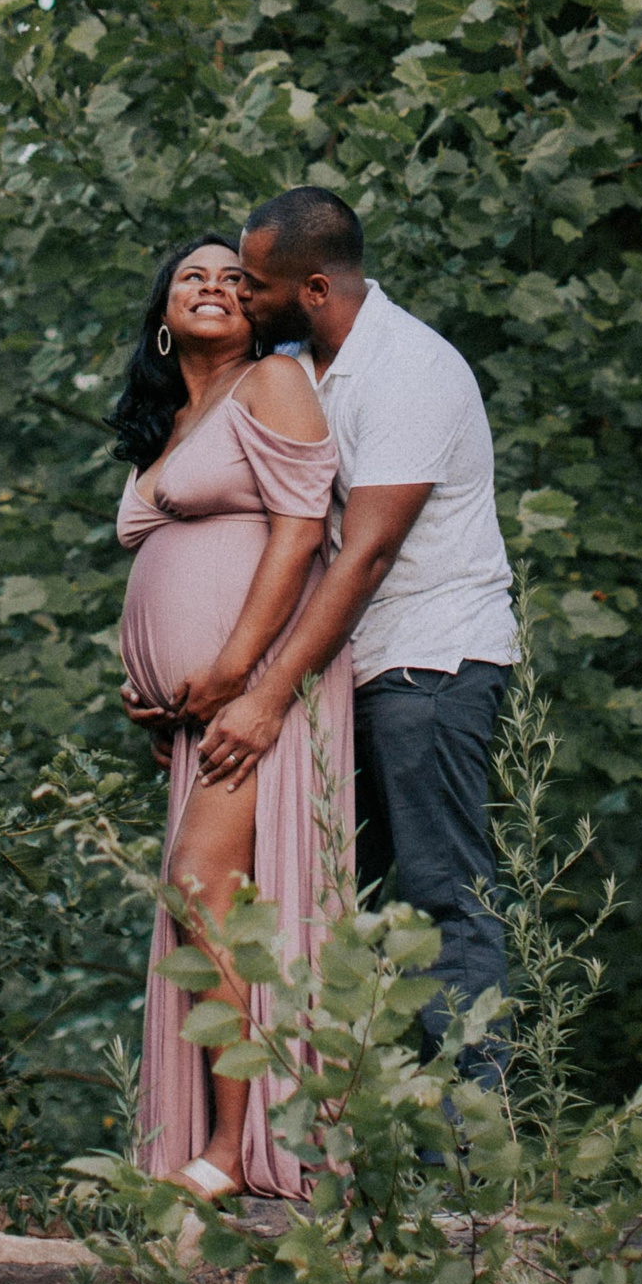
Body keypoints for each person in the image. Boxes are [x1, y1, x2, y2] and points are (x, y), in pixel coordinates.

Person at [200, 189, 517, 1059]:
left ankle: (473, 1154)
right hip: (356, 671)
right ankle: (387, 1150)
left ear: (311, 287)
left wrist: (264, 696)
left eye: (254, 285)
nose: (241, 297)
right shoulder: (306, 365)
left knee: (441, 895)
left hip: (429, 666)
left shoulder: (410, 367)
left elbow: (365, 556)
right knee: (365, 906)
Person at [111, 229, 352, 1200]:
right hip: (194, 713)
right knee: (208, 908)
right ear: (163, 318)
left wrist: (231, 671)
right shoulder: (176, 415)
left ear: (257, 305)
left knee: (198, 884)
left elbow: (303, 533)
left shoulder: (272, 383)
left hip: (259, 699)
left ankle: (230, 1147)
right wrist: (157, 687)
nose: (211, 288)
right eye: (189, 278)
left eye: (229, 278)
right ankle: (215, 1141)